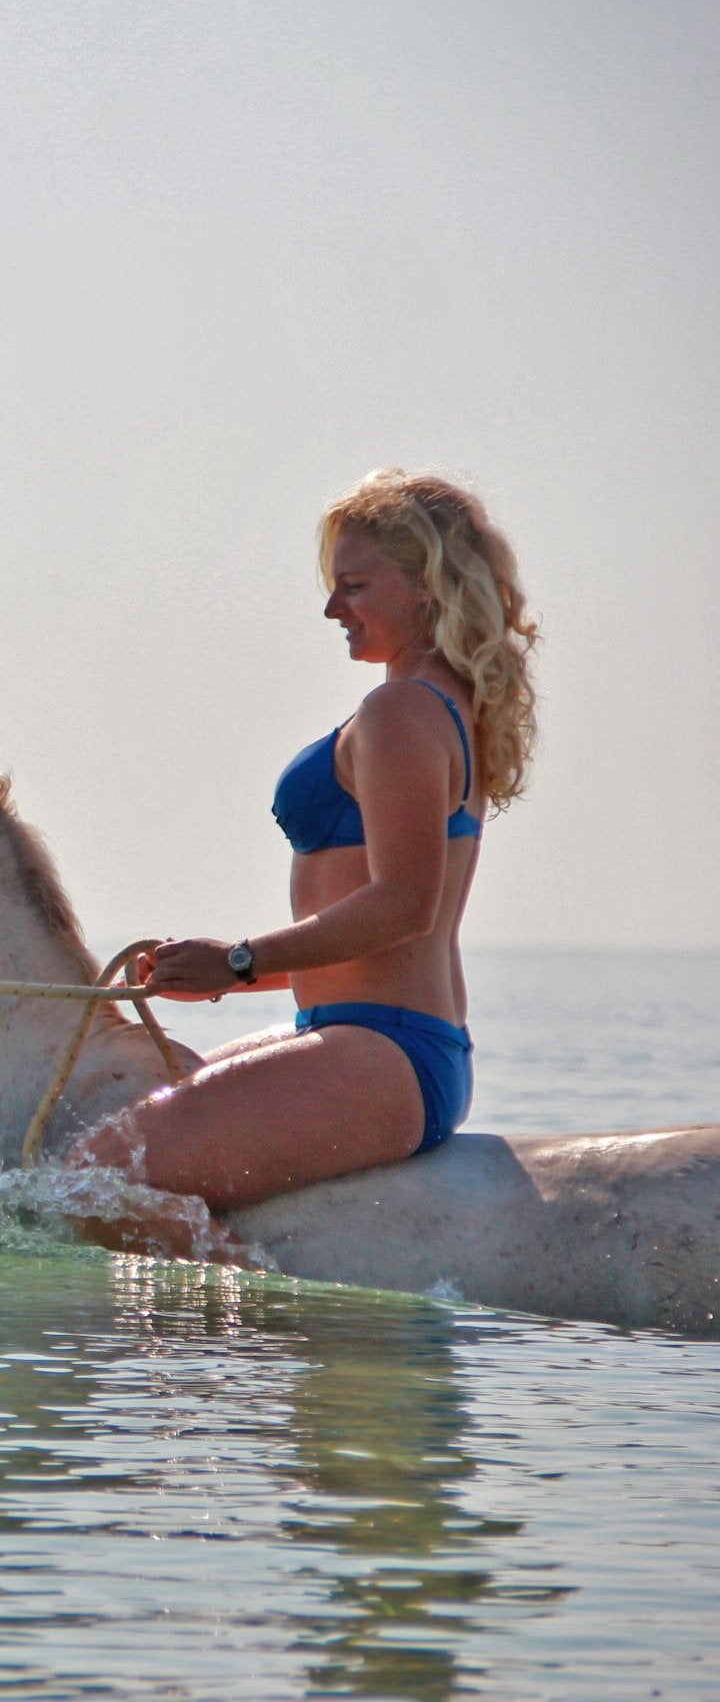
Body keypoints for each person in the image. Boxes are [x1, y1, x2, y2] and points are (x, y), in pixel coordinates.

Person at [68, 470, 540, 1213]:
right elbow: (373, 938)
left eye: (352, 584)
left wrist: (237, 958)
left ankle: (241, 1324)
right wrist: (229, 975)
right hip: (364, 1038)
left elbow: (404, 906)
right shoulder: (430, 706)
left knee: (93, 1182)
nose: (331, 608)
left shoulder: (402, 712)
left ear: (425, 586)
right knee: (95, 1148)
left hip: (386, 1051)